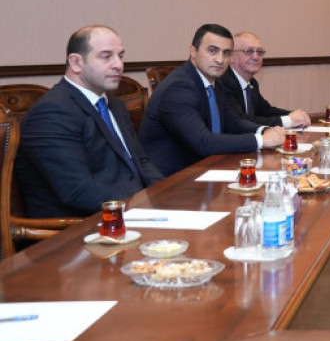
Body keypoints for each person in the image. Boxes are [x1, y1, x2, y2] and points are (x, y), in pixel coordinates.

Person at [15, 26, 162, 218]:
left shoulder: (115, 105)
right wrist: (141, 209)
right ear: (76, 63)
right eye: (106, 56)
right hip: (83, 224)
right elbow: (77, 190)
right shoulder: (51, 112)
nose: (119, 65)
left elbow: (141, 161)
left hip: (129, 211)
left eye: (120, 56)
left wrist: (166, 195)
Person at [140, 24, 285, 176]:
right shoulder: (177, 88)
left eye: (226, 53)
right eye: (212, 51)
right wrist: (261, 140)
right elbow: (203, 142)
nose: (220, 60)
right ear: (193, 52)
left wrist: (264, 130)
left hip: (206, 167)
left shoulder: (215, 82)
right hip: (172, 178)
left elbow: (233, 122)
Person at [216, 31, 310, 127]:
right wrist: (288, 120)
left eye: (260, 52)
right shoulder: (223, 82)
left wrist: (295, 115)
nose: (256, 57)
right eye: (249, 51)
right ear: (231, 56)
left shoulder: (252, 82)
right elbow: (240, 120)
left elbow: (264, 110)